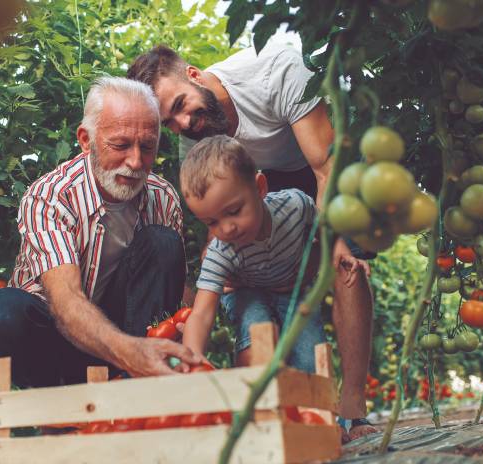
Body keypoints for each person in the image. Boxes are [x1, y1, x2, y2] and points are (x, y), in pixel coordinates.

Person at [128, 45, 376, 441]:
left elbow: (324, 169)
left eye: (180, 105)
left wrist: (339, 245)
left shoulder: (274, 72)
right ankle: (290, 414)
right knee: (248, 282)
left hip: (324, 160)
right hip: (265, 180)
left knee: (347, 266)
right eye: (169, 123)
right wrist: (207, 294)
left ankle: (353, 406)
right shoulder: (195, 136)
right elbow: (217, 212)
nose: (183, 123)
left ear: (193, 74)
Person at [0, 77, 200, 388]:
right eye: (120, 145)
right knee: (0, 313)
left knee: (163, 243)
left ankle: (140, 392)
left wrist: (198, 321)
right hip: (57, 342)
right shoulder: (50, 196)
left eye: (147, 146)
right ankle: (55, 413)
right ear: (85, 140)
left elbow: (170, 292)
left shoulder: (162, 197)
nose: (135, 162)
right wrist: (131, 352)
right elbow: (66, 303)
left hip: (129, 338)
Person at [180, 135, 361, 374]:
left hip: (291, 290)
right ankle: (254, 402)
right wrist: (191, 359)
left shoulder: (294, 206)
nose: (226, 229)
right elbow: (202, 314)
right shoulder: (220, 252)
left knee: (310, 362)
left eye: (234, 211)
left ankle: (313, 409)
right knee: (259, 338)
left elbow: (323, 226)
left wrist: (341, 250)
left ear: (260, 188)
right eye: (211, 222)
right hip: (246, 293)